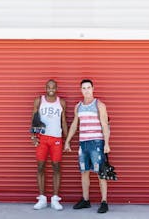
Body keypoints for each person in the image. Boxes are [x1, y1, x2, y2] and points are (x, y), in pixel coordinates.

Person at [64, 79, 111, 214]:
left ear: (93, 88)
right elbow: (74, 125)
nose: (86, 90)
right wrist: (67, 141)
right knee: (84, 172)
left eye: (88, 88)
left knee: (100, 173)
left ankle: (104, 202)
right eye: (84, 88)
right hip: (83, 142)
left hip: (97, 142)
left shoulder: (99, 105)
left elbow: (104, 125)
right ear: (81, 90)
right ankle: (86, 200)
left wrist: (106, 143)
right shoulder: (78, 106)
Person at [30, 79, 68, 210]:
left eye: (53, 87)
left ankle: (55, 199)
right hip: (42, 138)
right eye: (48, 87)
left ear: (56, 88)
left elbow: (63, 122)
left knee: (56, 167)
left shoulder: (61, 102)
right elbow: (34, 119)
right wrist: (33, 136)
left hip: (56, 138)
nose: (51, 89)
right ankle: (42, 198)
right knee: (40, 166)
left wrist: (67, 140)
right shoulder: (39, 100)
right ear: (45, 88)